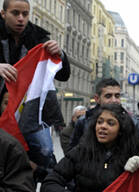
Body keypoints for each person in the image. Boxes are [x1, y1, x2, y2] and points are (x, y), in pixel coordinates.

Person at [0, 0, 70, 184]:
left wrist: (59, 54)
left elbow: (63, 75)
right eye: (15, 13)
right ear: (3, 13)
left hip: (28, 109)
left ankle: (32, 180)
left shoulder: (39, 38)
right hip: (3, 106)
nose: (21, 18)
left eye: (25, 14)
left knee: (45, 150)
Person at [41, 104, 139, 191]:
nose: (103, 126)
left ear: (121, 129)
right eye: (99, 122)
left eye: (110, 123)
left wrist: (137, 170)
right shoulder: (81, 151)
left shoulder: (131, 155)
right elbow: (50, 182)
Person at [69, 78, 121, 150]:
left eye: (117, 96)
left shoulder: (131, 122)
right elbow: (72, 152)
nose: (114, 100)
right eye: (108, 96)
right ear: (97, 99)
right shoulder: (83, 121)